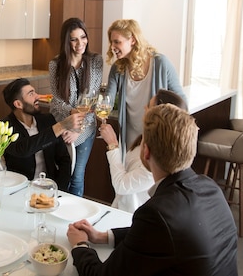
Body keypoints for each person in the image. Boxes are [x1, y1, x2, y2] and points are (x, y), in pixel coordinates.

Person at [67, 104, 238, 275]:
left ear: (146, 152)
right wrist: (103, 237)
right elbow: (154, 235)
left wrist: (80, 245)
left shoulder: (156, 214)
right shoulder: (211, 188)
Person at [105, 19, 187, 163]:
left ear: (133, 40)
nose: (112, 47)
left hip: (155, 137)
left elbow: (181, 101)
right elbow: (107, 101)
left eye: (117, 42)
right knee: (131, 181)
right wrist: (99, 108)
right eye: (111, 42)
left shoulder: (161, 64)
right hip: (131, 138)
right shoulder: (117, 69)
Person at [98, 89, 188, 213]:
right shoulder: (147, 139)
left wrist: (113, 145)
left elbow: (121, 186)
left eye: (149, 106)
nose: (145, 107)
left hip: (131, 215)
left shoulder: (158, 161)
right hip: (121, 207)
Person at [49, 18, 104, 196]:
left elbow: (92, 101)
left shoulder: (95, 61)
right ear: (67, 41)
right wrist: (71, 116)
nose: (80, 43)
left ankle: (76, 218)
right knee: (62, 175)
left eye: (83, 37)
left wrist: (78, 130)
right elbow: (56, 101)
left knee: (78, 177)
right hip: (62, 126)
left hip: (85, 129)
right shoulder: (56, 65)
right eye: (74, 39)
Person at [1, 78, 85, 190]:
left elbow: (64, 160)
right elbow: (23, 149)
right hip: (19, 189)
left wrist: (59, 190)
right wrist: (61, 126)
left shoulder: (47, 120)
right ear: (18, 104)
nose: (38, 96)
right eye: (31, 94)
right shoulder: (3, 127)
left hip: (49, 189)